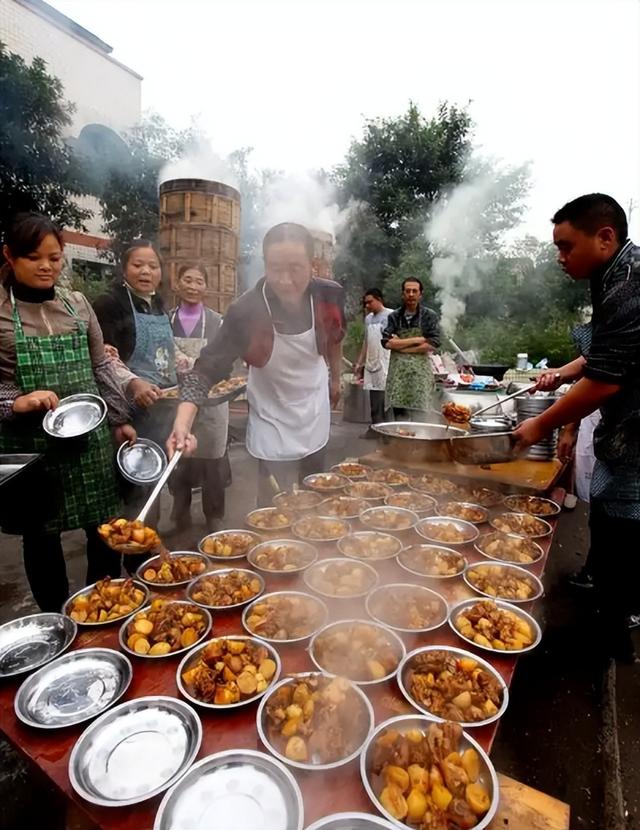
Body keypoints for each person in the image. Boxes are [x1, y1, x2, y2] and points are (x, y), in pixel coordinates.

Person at [513, 193, 640, 663]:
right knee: (609, 529)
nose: (560, 258)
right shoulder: (612, 275)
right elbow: (606, 354)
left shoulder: (629, 284)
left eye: (566, 247)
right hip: (626, 433)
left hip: (635, 438)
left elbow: (607, 382)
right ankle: (606, 608)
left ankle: (612, 640)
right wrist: (565, 373)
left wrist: (539, 426)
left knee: (625, 535)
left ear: (604, 238)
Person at [0, 213, 136, 611]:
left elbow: (102, 367)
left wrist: (119, 418)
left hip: (88, 440)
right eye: (33, 257)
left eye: (55, 258)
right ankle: (57, 620)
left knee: (105, 530)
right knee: (40, 538)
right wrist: (14, 401)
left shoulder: (77, 305)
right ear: (9, 255)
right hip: (31, 443)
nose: (46, 266)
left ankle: (102, 609)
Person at [167, 222, 345, 506]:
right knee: (274, 506)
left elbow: (336, 338)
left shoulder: (329, 296)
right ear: (264, 264)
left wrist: (335, 379)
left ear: (312, 265)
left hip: (314, 410)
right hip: (270, 417)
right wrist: (182, 422)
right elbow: (207, 368)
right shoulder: (246, 310)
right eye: (275, 268)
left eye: (295, 268)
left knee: (316, 497)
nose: (285, 280)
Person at [93, 241, 180, 539]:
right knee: (130, 491)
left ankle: (145, 553)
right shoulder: (109, 303)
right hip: (128, 413)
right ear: (123, 268)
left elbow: (166, 351)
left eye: (153, 266)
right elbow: (103, 358)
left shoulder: (158, 303)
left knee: (153, 486)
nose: (146, 271)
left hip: (162, 409)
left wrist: (185, 362)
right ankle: (126, 556)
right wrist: (133, 384)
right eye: (138, 265)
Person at [169, 263, 231, 531]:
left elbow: (226, 361)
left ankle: (213, 515)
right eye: (188, 280)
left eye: (199, 281)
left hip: (212, 399)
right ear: (177, 283)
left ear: (206, 287)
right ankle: (180, 512)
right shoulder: (166, 319)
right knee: (179, 457)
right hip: (176, 398)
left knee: (212, 459)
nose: (193, 287)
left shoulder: (218, 321)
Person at [381, 277, 441, 421]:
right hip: (398, 375)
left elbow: (433, 343)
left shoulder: (429, 316)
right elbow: (387, 343)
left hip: (420, 374)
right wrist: (418, 339)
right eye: (408, 291)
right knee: (399, 419)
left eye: (415, 291)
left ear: (420, 294)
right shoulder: (394, 316)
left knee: (421, 417)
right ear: (403, 294)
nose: (411, 294)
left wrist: (401, 346)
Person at [354, 288, 392, 438]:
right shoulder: (368, 318)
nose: (367, 305)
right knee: (374, 398)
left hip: (385, 362)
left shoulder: (391, 315)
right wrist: (360, 362)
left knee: (385, 400)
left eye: (370, 302)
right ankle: (374, 429)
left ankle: (387, 432)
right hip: (372, 361)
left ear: (379, 299)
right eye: (366, 303)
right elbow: (366, 342)